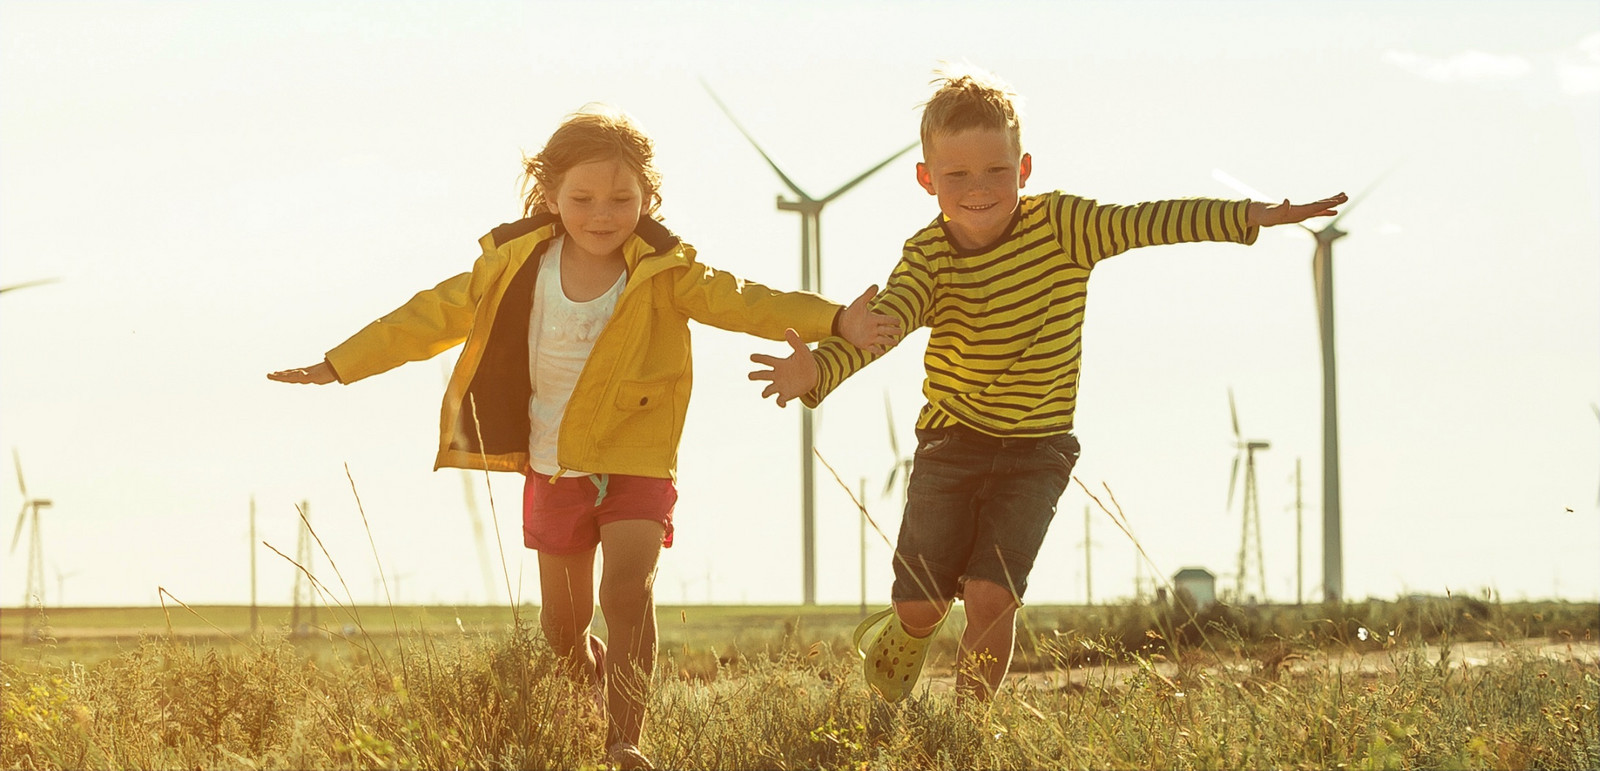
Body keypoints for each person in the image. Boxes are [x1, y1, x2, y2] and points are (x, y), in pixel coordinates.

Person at [269, 105, 901, 769]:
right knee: (561, 628)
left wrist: (834, 319)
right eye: (584, 198)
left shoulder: (667, 272)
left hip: (638, 459)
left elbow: (748, 299)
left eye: (622, 199)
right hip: (554, 466)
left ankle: (625, 740)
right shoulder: (513, 266)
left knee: (626, 591)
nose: (604, 214)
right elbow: (425, 316)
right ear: (550, 197)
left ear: (649, 198)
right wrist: (340, 363)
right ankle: (592, 672)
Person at [747, 67, 1345, 703]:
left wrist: (1247, 214)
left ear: (1023, 168)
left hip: (1038, 450)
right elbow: (883, 326)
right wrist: (818, 368)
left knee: (991, 595)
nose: (979, 189)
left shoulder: (1064, 225)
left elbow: (1151, 221)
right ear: (927, 180)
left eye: (996, 172)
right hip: (952, 444)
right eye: (957, 176)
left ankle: (967, 720)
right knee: (922, 606)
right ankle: (909, 630)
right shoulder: (928, 255)